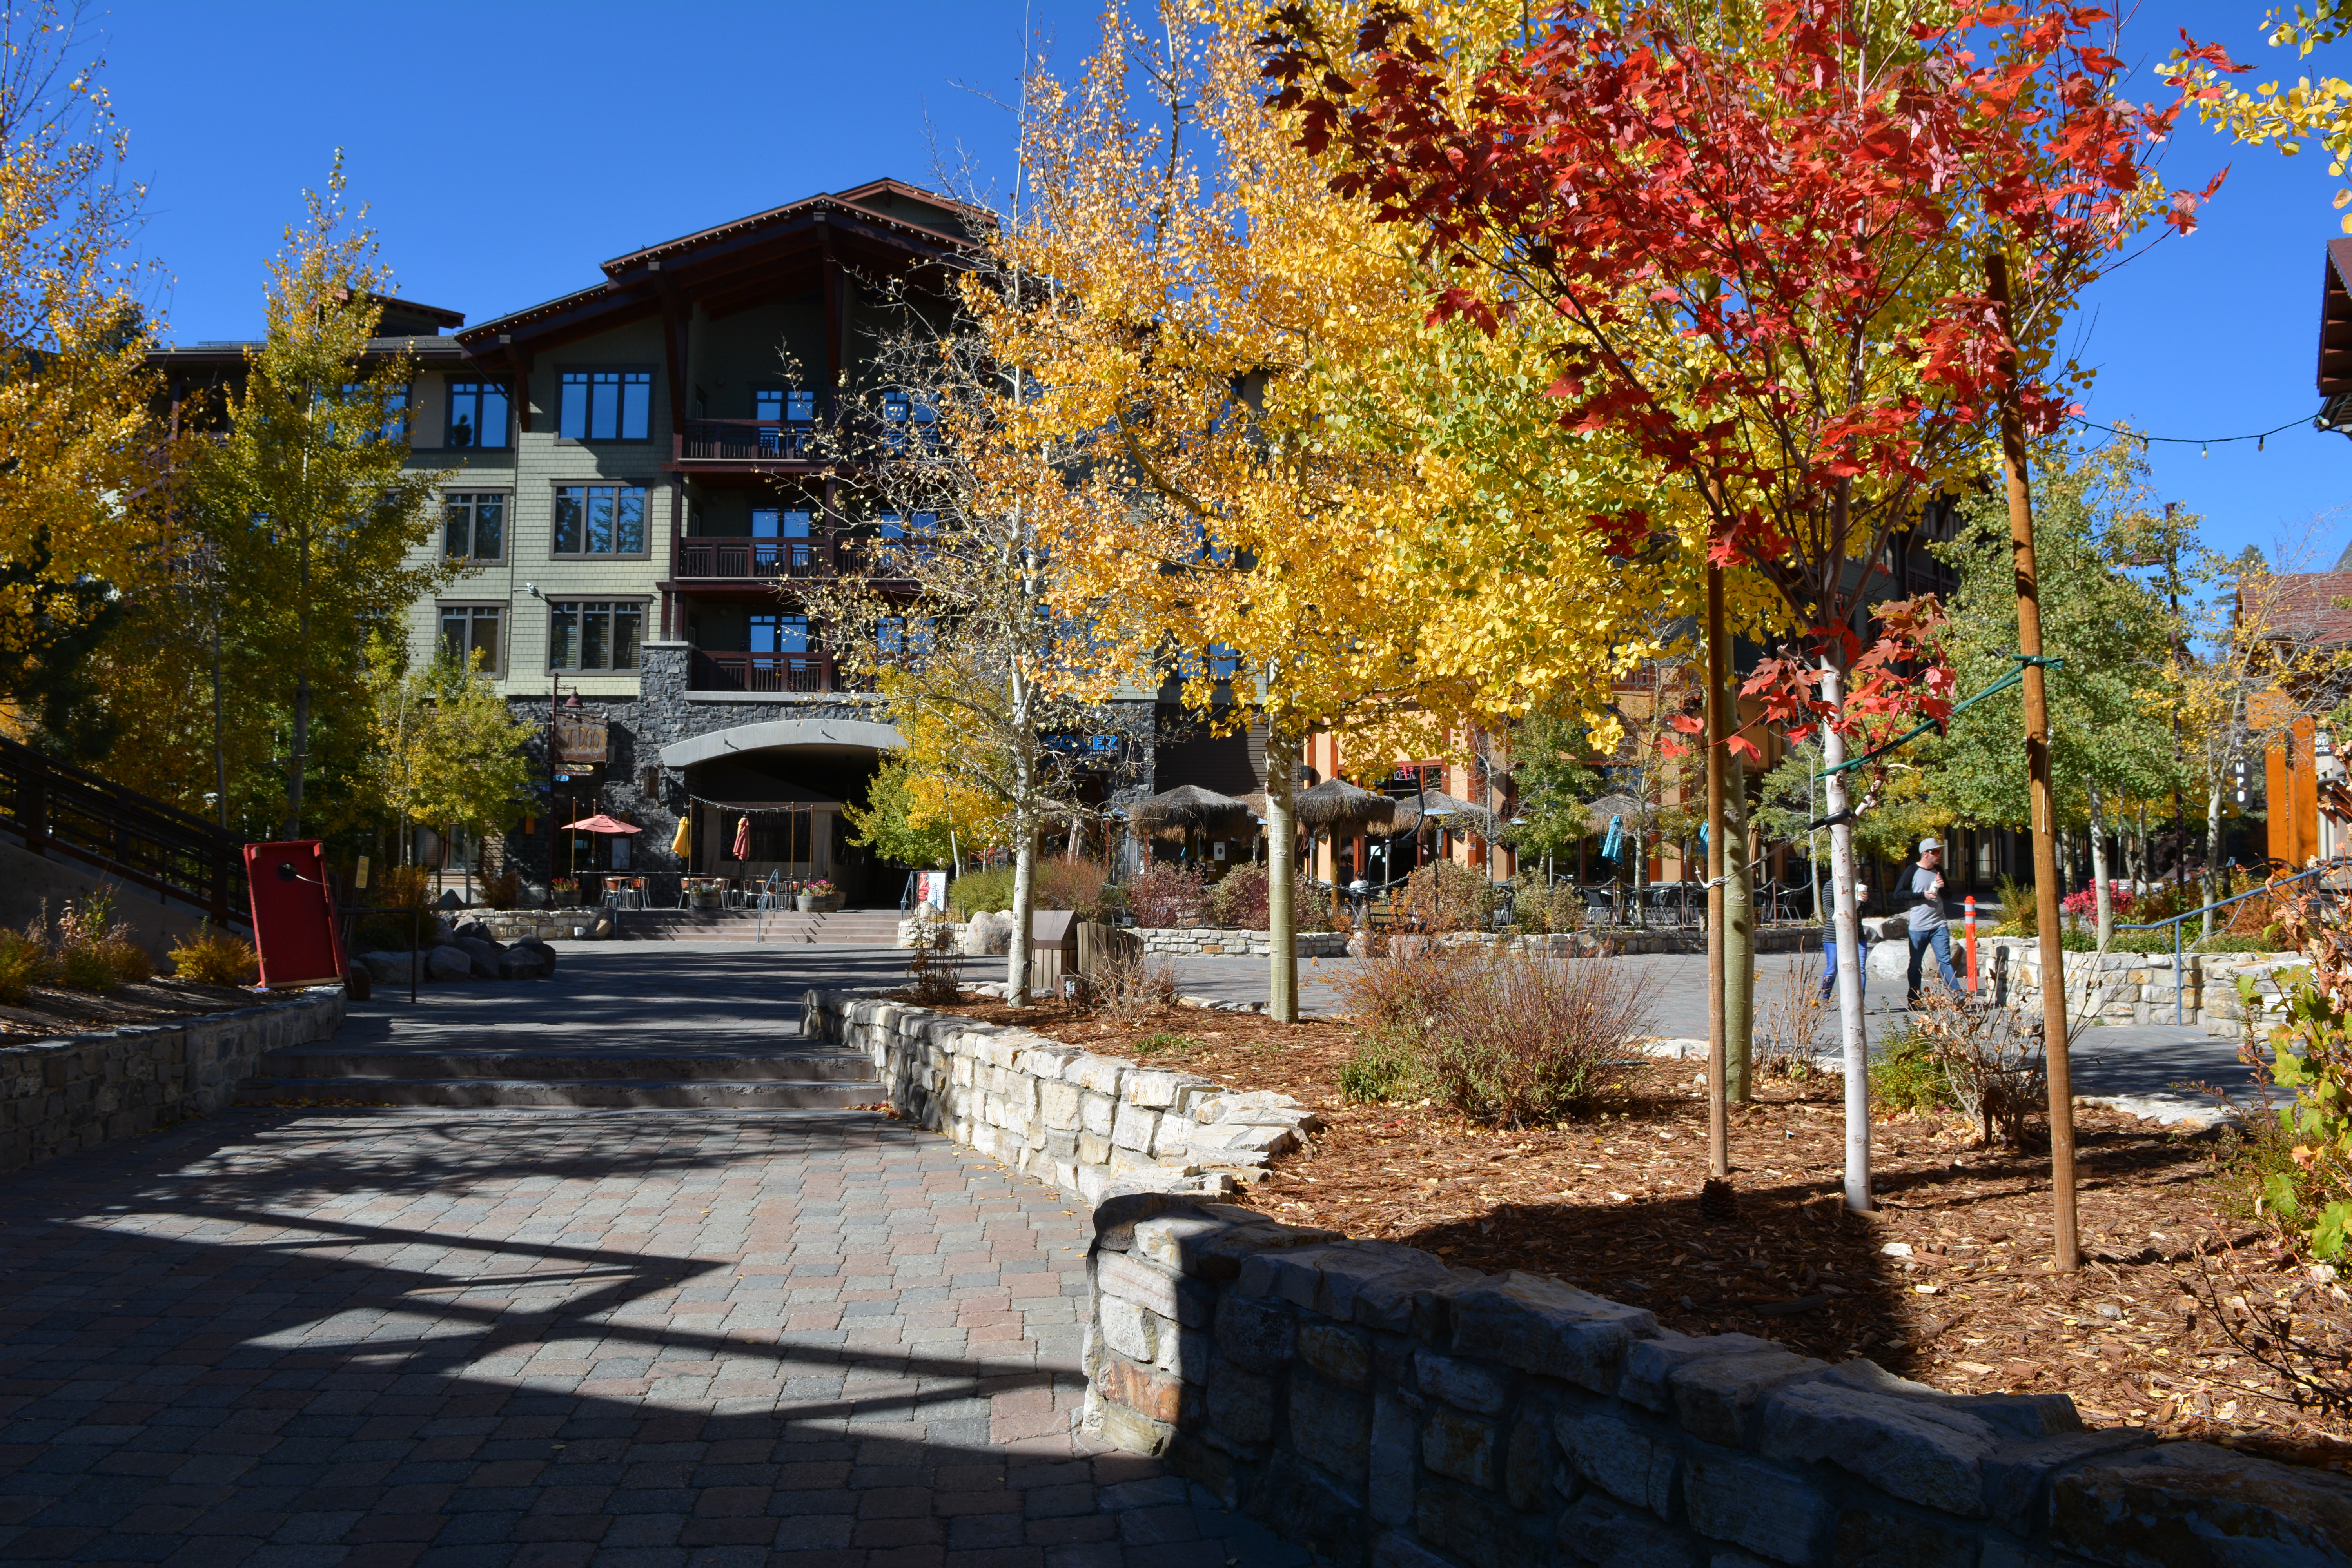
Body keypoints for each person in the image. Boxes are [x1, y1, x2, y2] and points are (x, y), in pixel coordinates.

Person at [1907, 837, 1964, 1004]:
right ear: (1925, 854)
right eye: (1936, 852)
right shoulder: (1912, 870)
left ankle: (1958, 995)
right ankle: (1915, 998)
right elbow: (1899, 894)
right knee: (1916, 963)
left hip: (1939, 925)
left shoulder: (1939, 870)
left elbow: (1949, 896)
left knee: (1944, 960)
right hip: (1918, 927)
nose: (1939, 855)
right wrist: (1922, 895)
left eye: (1940, 852)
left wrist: (1943, 886)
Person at [1820, 881, 1869, 1001]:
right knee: (1833, 969)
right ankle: (1824, 998)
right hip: (1834, 935)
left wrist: (1866, 901)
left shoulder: (1858, 886)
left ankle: (1859, 1002)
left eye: (1855, 865)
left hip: (1857, 935)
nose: (1854, 868)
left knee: (1860, 970)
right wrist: (1839, 919)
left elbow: (1869, 910)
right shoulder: (1831, 884)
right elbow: (1827, 906)